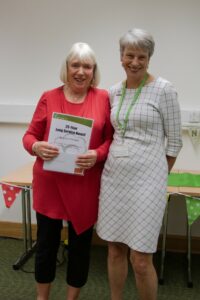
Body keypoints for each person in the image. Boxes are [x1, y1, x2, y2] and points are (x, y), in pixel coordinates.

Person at [96, 28, 183, 300]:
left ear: (149, 58)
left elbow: (174, 141)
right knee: (114, 249)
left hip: (148, 180)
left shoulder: (164, 90)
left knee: (141, 259)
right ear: (121, 56)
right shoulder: (113, 92)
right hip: (114, 178)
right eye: (129, 55)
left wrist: (158, 175)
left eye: (141, 56)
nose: (135, 62)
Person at [22, 42, 113, 300]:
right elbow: (29, 136)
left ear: (94, 70)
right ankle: (43, 297)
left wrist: (97, 154)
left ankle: (71, 298)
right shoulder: (49, 97)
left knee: (80, 248)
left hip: (84, 186)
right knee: (46, 247)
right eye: (76, 65)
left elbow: (109, 140)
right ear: (67, 68)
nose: (81, 71)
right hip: (50, 185)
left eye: (87, 66)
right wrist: (37, 146)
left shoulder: (103, 97)